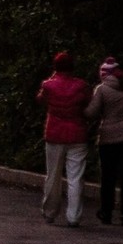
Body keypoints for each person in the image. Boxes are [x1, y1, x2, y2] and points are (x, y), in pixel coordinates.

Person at [86, 57, 123, 225]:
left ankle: (106, 212)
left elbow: (91, 113)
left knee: (108, 177)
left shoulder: (102, 90)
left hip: (109, 139)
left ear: (103, 74)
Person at [37, 52, 91, 226]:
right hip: (77, 134)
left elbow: (40, 99)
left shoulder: (48, 85)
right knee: (76, 177)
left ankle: (50, 211)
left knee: (53, 175)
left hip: (54, 134)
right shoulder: (81, 86)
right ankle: (73, 216)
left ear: (55, 67)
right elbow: (88, 104)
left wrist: (53, 77)